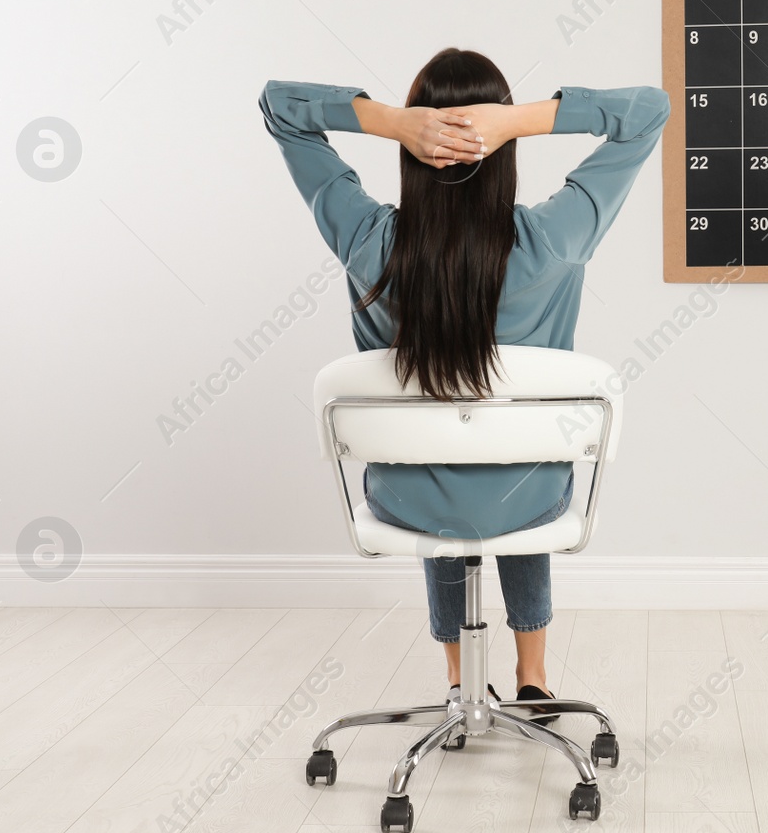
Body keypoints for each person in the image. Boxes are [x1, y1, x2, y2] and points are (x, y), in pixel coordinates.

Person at [259, 48, 669, 712]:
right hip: (531, 502)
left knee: (437, 457)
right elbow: (651, 110)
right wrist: (518, 121)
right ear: (502, 150)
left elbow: (280, 103)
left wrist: (395, 122)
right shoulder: (553, 240)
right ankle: (533, 676)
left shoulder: (368, 241)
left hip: (408, 503)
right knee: (512, 462)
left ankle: (460, 682)